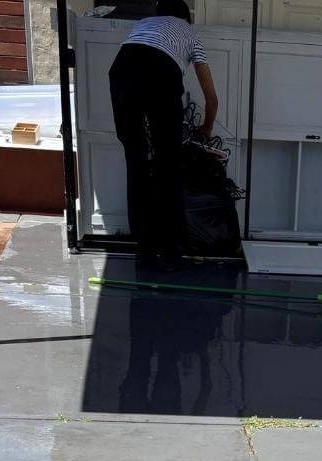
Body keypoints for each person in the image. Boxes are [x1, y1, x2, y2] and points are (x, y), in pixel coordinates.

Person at [109, 0, 219, 270]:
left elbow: (138, 61)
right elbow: (211, 98)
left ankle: (144, 250)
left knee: (136, 163)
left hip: (121, 69)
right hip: (161, 72)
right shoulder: (190, 33)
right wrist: (206, 127)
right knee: (168, 167)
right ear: (186, 16)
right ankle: (172, 252)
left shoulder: (143, 24)